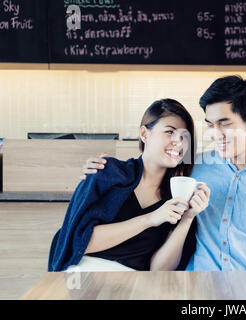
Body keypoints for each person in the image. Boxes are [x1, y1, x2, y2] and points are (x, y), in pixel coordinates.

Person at [81, 75, 246, 272]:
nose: (215, 133)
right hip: (196, 288)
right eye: (210, 124)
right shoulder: (195, 168)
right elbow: (153, 160)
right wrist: (105, 169)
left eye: (225, 123)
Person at [48, 99, 210, 272]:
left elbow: (159, 271)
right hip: (84, 272)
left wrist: (187, 218)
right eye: (169, 132)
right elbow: (77, 242)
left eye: (184, 136)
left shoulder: (179, 197)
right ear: (144, 134)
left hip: (135, 284)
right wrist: (150, 219)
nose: (178, 142)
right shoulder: (108, 173)